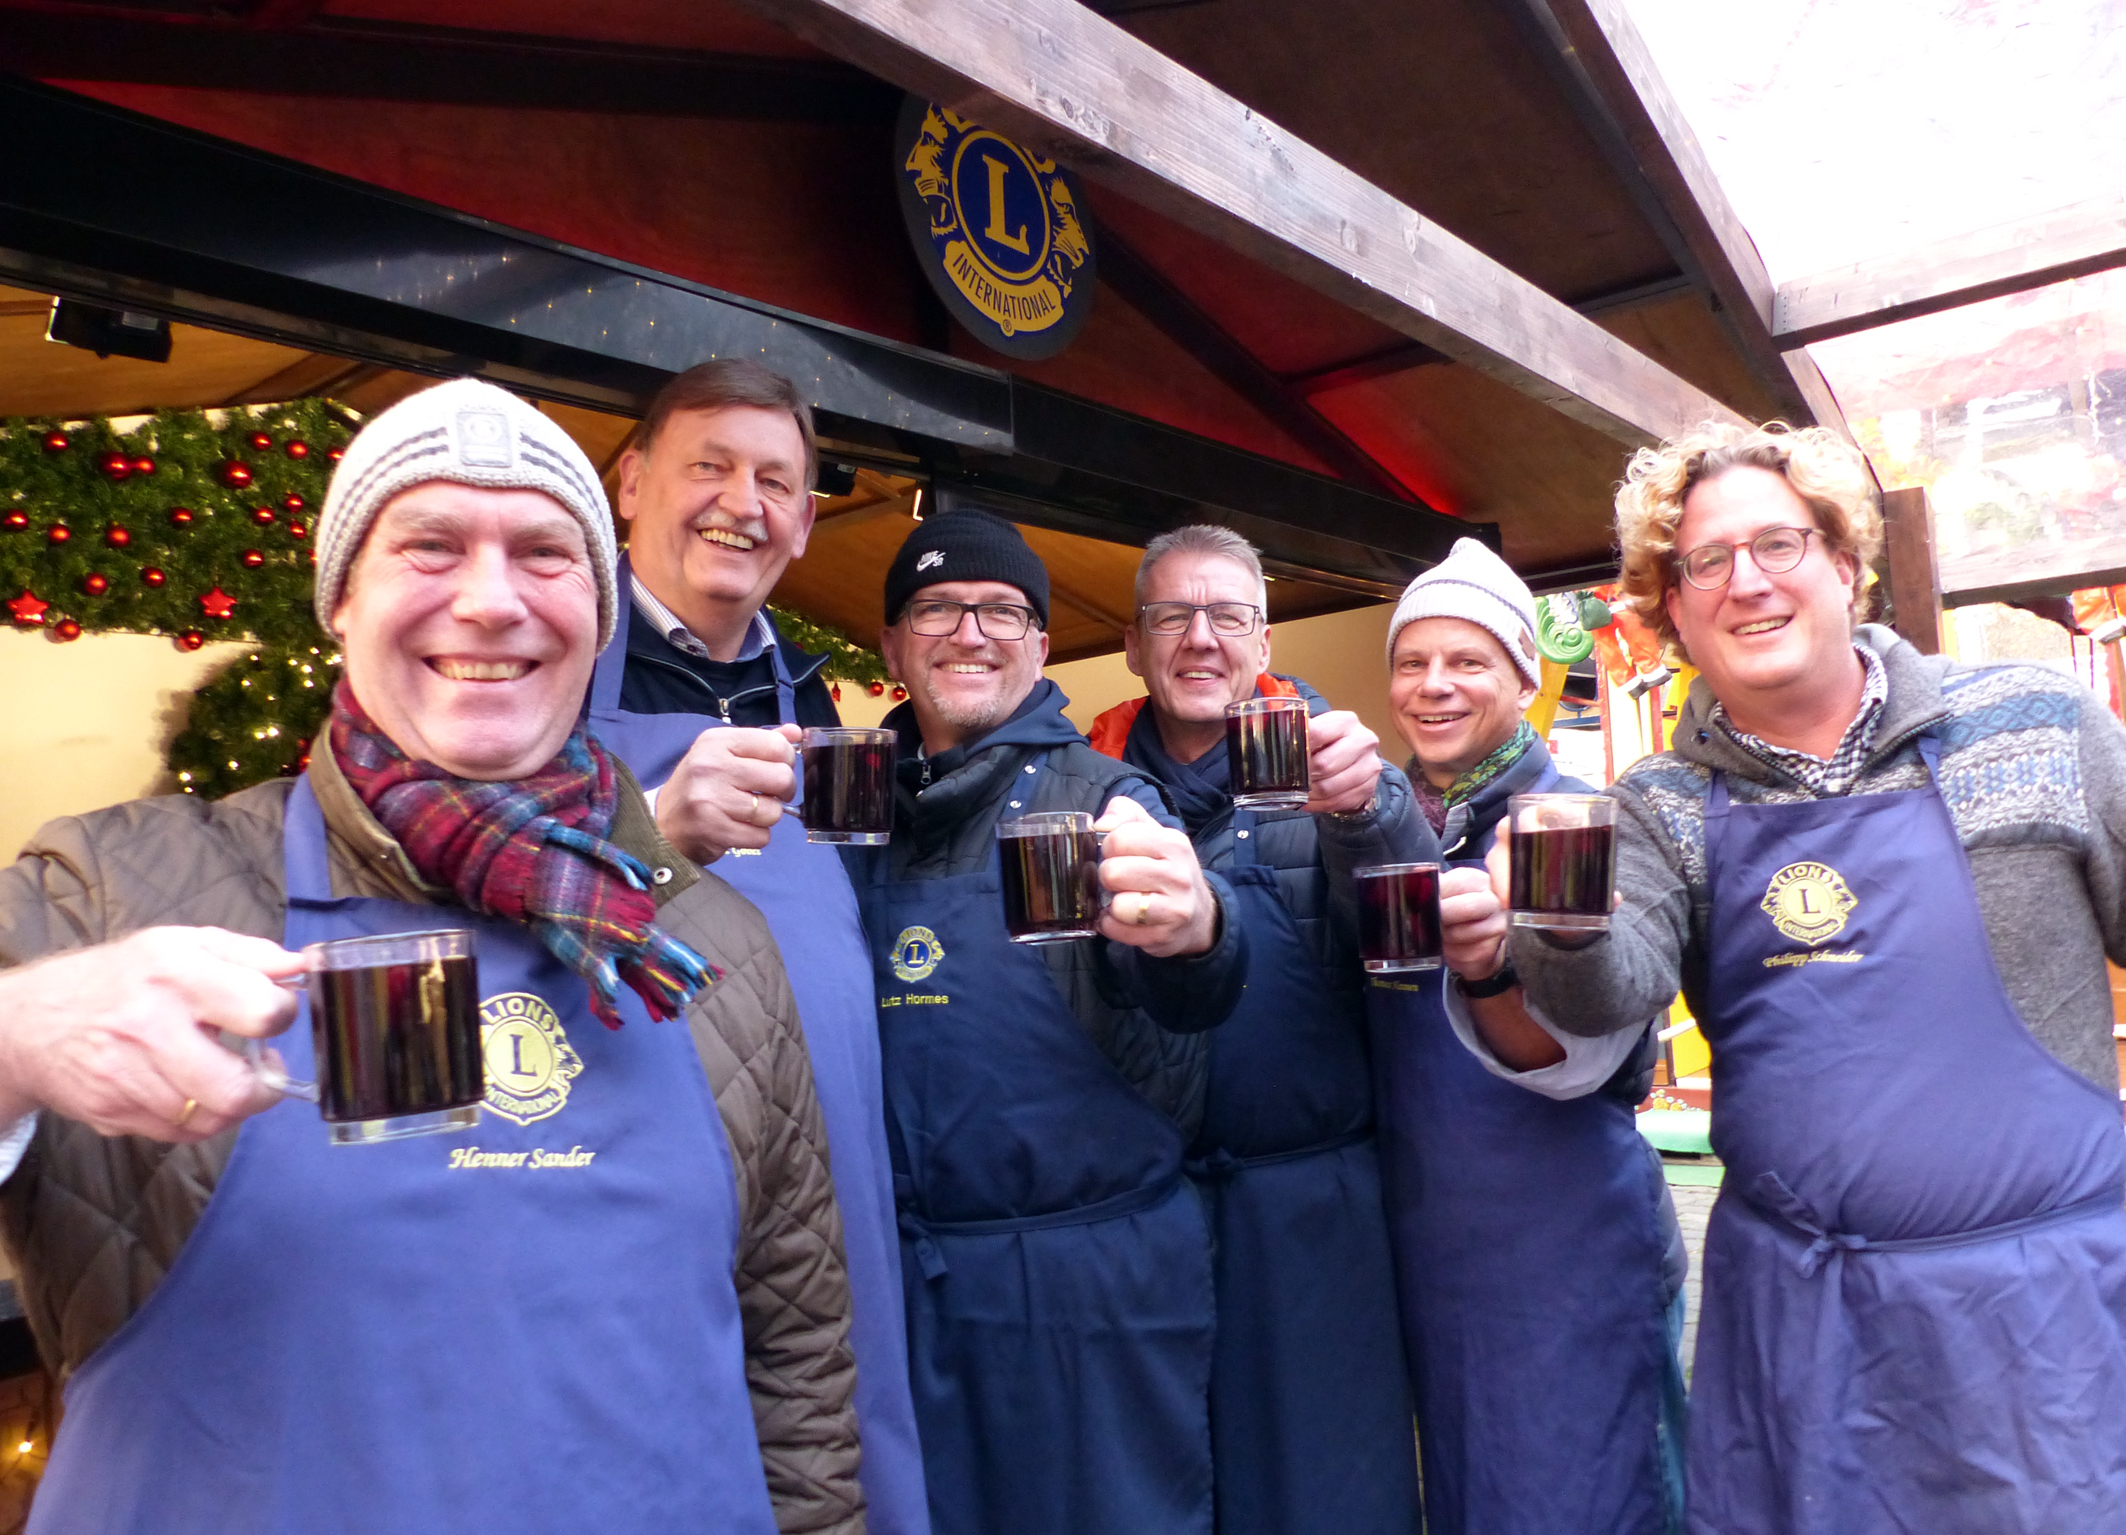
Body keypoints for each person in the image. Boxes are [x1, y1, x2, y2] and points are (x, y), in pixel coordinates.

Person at [0, 379, 862, 1535]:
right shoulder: (111, 888)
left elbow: (797, 1366)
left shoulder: (708, 943)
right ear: (340, 599)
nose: (491, 599)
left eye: (545, 553)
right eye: (430, 545)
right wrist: (20, 1035)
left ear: (599, 615)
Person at [1476, 422, 2126, 1534]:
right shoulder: (1658, 802)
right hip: (1804, 1328)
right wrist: (1557, 924)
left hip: (2042, 1316)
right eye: (1702, 562)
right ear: (1669, 608)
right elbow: (1603, 996)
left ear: (1842, 562)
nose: (1745, 582)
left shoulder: (2035, 721)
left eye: (1775, 544)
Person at [849, 510, 1249, 1535]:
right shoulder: (849, 808)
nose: (969, 631)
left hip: (1088, 1291)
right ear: (892, 643)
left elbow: (1188, 984)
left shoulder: (1104, 797)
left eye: (1001, 610)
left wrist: (1198, 926)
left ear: (1037, 643)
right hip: (908, 1287)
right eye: (937, 607)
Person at [595, 358, 927, 1535]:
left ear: (798, 526)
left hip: (829, 1203)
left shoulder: (814, 699)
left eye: (776, 480)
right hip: (634, 1190)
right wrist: (647, 829)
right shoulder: (540, 672)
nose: (744, 499)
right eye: (710, 464)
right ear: (630, 482)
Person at [1084, 525, 1423, 1535]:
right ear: (1135, 646)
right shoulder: (1085, 786)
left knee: (1324, 1494)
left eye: (1226, 615)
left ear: (1262, 642)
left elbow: (1406, 921)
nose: (1199, 638)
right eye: (1170, 616)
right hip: (1144, 1214)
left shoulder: (1334, 764)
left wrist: (1367, 810)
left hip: (1310, 1212)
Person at [1356, 536, 1687, 1535]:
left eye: (1466, 661)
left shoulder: (1570, 818)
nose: (1431, 685)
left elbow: (1592, 1055)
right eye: (1411, 662)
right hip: (1430, 1239)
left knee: (1581, 1496)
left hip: (1563, 1240)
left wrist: (1492, 963)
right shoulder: (1389, 821)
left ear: (1524, 676)